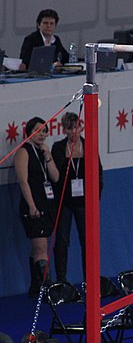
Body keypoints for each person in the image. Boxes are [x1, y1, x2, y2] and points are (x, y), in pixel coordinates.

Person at [51, 112, 103, 283]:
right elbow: (57, 174)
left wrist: (95, 200)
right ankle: (61, 280)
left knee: (87, 242)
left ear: (80, 127)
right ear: (64, 130)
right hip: (65, 202)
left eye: (76, 127)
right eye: (69, 128)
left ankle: (89, 279)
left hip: (84, 202)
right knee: (62, 241)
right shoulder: (58, 148)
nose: (73, 131)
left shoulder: (89, 145)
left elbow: (98, 174)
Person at [14, 117, 60, 297]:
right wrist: (31, 206)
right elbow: (23, 181)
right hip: (33, 206)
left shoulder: (42, 152)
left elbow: (55, 177)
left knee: (39, 247)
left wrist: (48, 156)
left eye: (44, 131)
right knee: (41, 248)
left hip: (46, 204)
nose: (42, 134)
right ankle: (47, 289)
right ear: (29, 132)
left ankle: (36, 286)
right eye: (38, 130)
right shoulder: (23, 152)